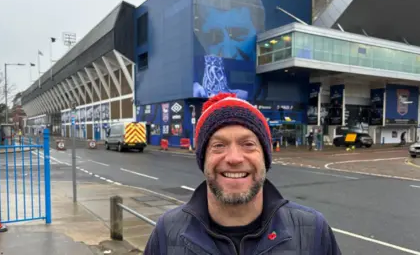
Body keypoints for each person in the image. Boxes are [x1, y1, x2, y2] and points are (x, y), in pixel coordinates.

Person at [144, 93, 341, 255]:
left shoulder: (313, 231)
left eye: (248, 144)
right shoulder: (167, 233)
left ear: (265, 157)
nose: (234, 158)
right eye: (218, 145)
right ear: (203, 159)